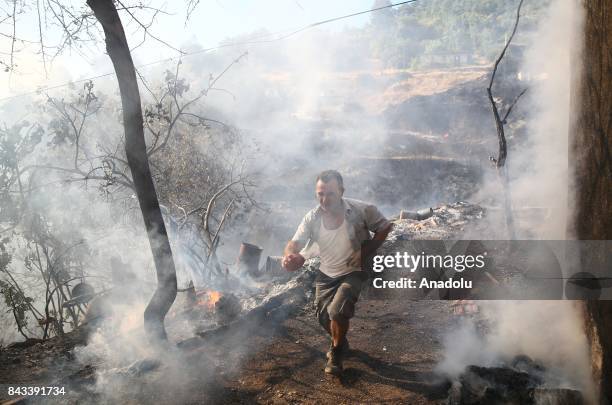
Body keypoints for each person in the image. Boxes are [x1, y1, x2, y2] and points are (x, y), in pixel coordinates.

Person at [282, 170, 393, 376]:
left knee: (337, 311)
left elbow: (385, 227)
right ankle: (341, 342)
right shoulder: (312, 217)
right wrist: (289, 256)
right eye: (320, 194)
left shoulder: (361, 210)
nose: (324, 199)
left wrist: (364, 252)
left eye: (330, 194)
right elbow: (294, 243)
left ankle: (336, 353)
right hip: (327, 273)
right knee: (324, 317)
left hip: (355, 271)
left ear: (341, 191)